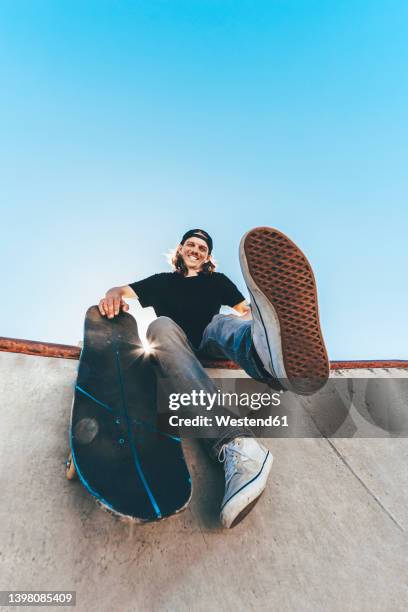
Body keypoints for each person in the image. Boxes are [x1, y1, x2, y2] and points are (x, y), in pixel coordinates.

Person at [98, 227, 329, 528]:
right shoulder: (161, 282)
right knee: (160, 326)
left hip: (210, 340)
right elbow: (120, 290)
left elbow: (244, 310)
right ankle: (240, 439)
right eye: (191, 245)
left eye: (202, 248)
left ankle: (267, 354)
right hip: (175, 344)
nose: (196, 250)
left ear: (208, 257)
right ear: (180, 250)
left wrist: (252, 321)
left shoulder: (217, 281)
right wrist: (112, 298)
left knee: (224, 322)